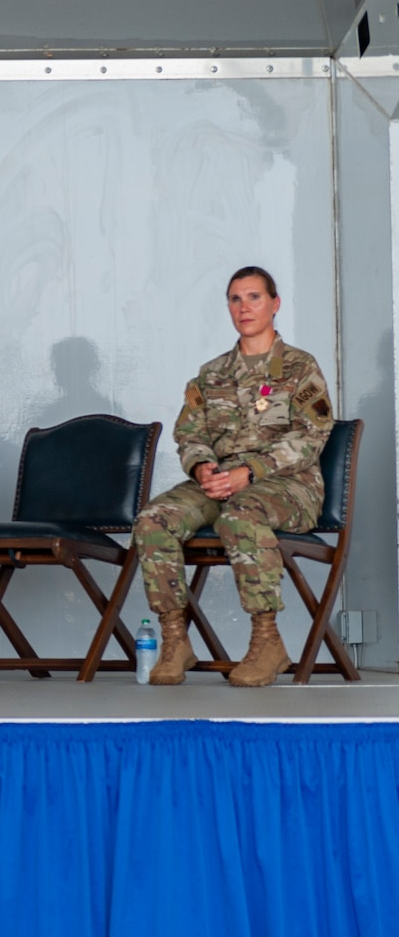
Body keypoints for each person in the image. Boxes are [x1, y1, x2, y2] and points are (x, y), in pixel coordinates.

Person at [135, 266, 332, 687]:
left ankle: (267, 641)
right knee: (154, 519)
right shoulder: (212, 374)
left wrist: (250, 471)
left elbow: (312, 435)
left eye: (254, 297)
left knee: (240, 514)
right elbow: (189, 432)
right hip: (219, 482)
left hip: (288, 486)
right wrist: (202, 465)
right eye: (235, 299)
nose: (244, 307)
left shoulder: (298, 367)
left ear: (275, 304)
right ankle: (175, 640)